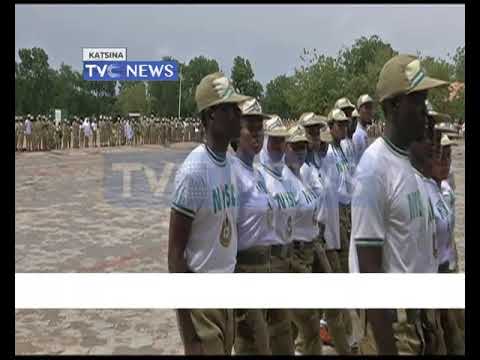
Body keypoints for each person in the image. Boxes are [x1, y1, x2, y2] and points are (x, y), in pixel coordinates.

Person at [349, 54, 449, 355]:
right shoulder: (374, 169)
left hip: (416, 320)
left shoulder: (409, 167)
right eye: (417, 102)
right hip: (392, 327)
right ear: (392, 106)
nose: (424, 112)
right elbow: (369, 270)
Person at [168, 72, 251, 355]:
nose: (239, 115)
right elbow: (175, 256)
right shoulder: (194, 173)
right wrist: (190, 337)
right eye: (232, 109)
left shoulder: (228, 165)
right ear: (212, 115)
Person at [230, 98, 272, 355]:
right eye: (251, 127)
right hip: (244, 269)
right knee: (255, 346)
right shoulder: (232, 173)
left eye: (260, 128)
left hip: (264, 266)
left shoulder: (256, 172)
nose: (258, 133)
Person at [256, 115, 296, 355]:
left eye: (282, 141)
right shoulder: (259, 176)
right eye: (274, 141)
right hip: (269, 262)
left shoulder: (284, 175)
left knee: (283, 332)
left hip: (287, 257)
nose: (279, 146)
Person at [282, 124, 323, 355]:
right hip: (295, 255)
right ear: (286, 148)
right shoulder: (285, 179)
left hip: (308, 250)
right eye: (295, 147)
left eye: (303, 147)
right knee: (309, 324)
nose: (300, 152)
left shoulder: (301, 177)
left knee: (291, 325)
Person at [335, 98, 357, 174]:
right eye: (345, 114)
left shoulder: (349, 140)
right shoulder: (338, 143)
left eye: (349, 114)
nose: (347, 118)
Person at [353, 94, 374, 163]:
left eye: (371, 108)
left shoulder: (364, 132)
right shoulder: (357, 135)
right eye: (366, 108)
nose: (370, 111)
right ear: (359, 111)